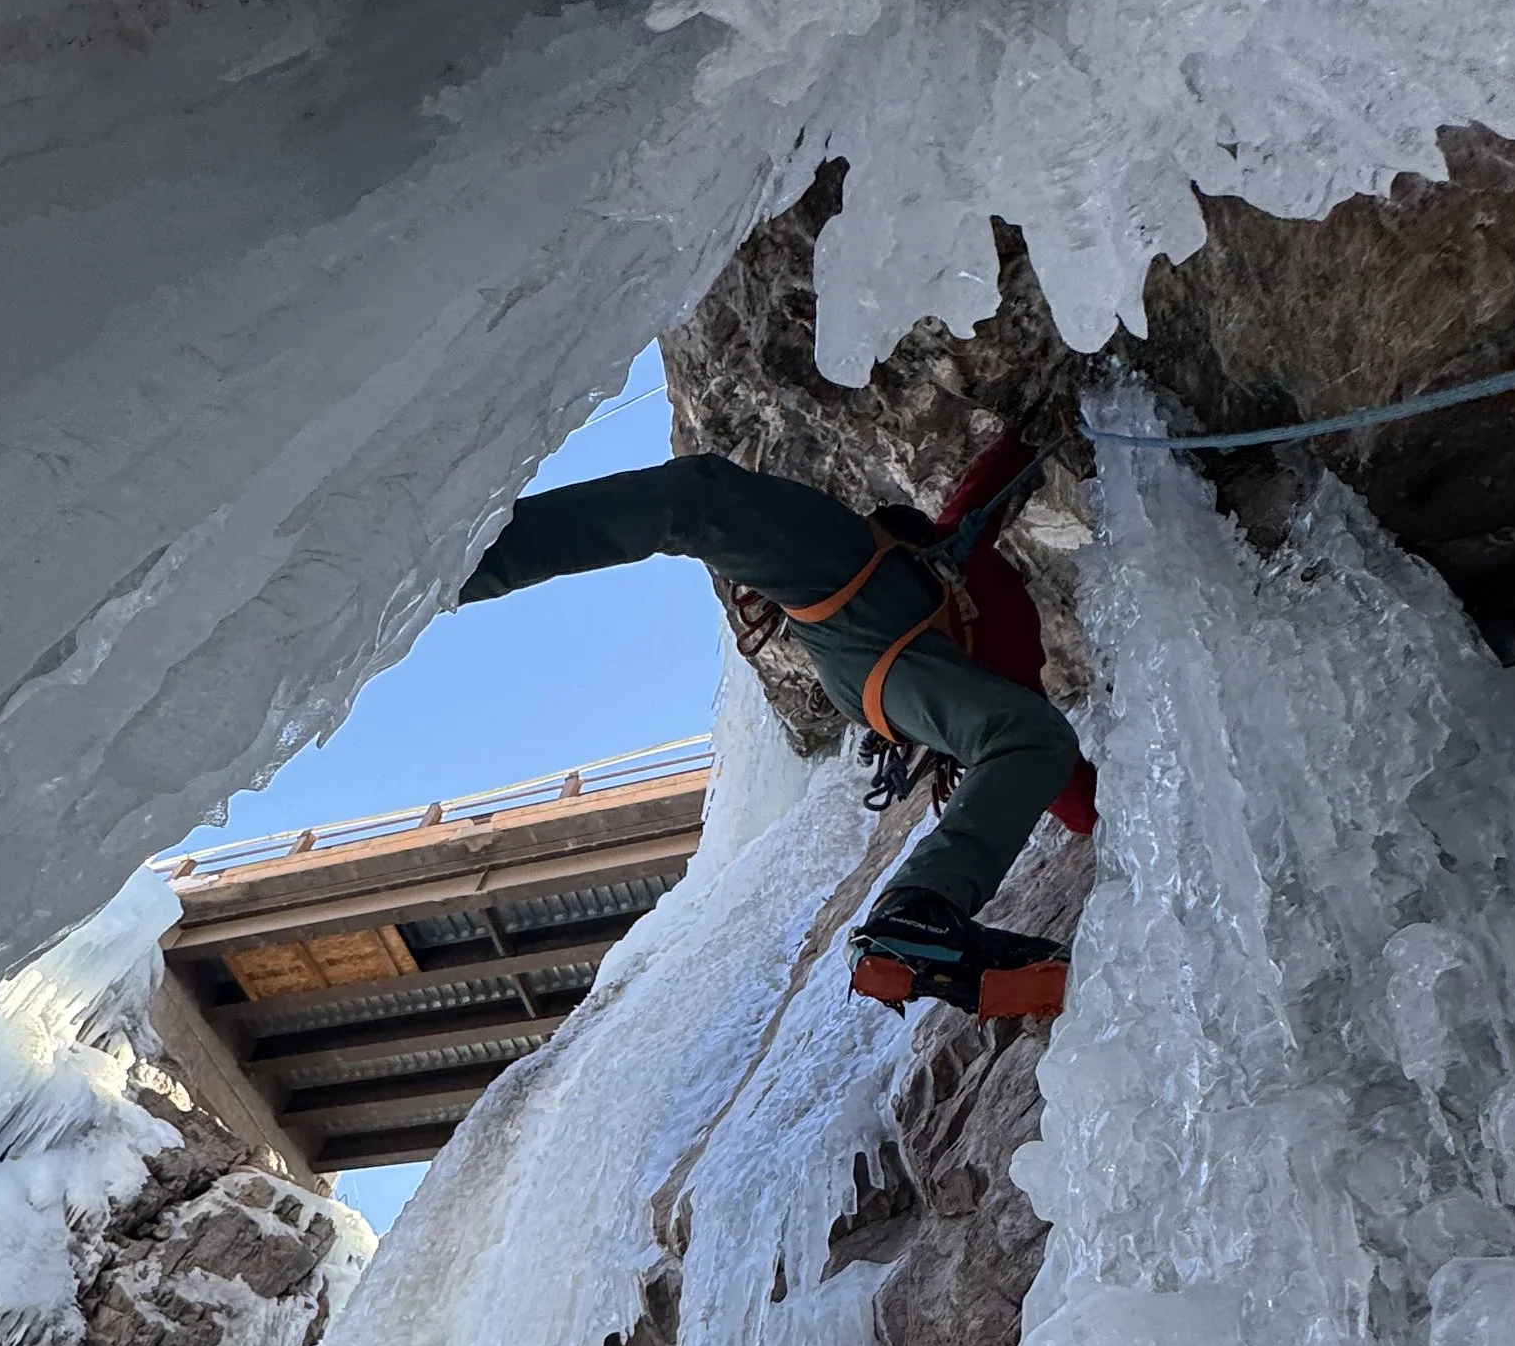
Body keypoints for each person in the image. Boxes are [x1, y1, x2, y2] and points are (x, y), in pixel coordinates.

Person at [459, 434, 1095, 1015]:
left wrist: (1025, 441)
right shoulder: (993, 656)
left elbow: (974, 505)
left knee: (703, 498)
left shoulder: (980, 653)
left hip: (867, 633)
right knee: (703, 499)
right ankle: (456, 565)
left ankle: (463, 563)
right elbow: (979, 505)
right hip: (877, 636)